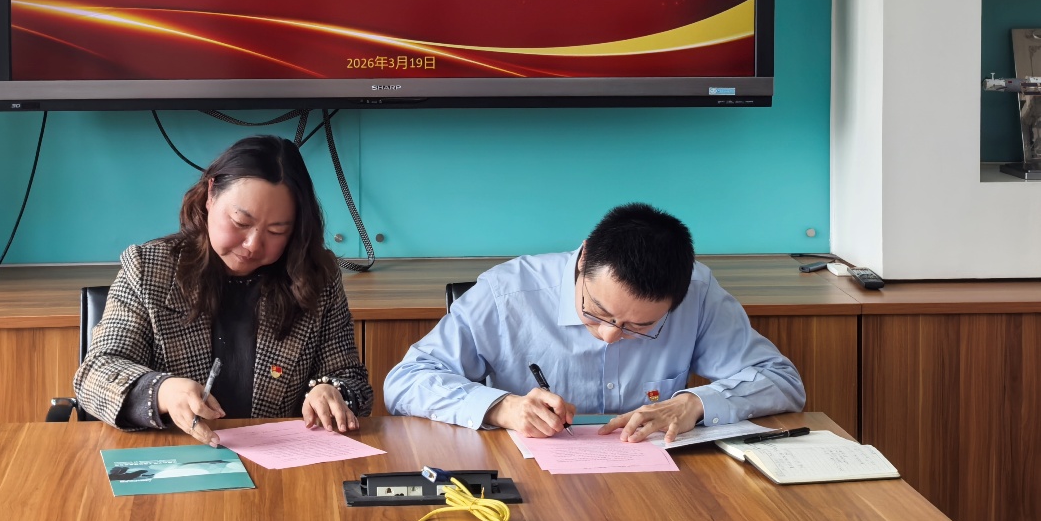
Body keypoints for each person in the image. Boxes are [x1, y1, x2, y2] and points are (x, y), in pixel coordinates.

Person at [383, 203, 804, 442]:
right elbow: (405, 381)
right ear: (583, 260)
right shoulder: (507, 293)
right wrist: (501, 407)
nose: (610, 335)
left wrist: (694, 403)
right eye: (597, 312)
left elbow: (780, 380)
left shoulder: (698, 292)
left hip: (656, 481)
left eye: (640, 327)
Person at [74, 134, 372, 445]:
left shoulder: (316, 277)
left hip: (280, 457)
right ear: (210, 195)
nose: (253, 244)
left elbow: (353, 381)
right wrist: (162, 391)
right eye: (241, 221)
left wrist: (332, 392)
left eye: (276, 231)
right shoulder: (149, 268)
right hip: (176, 454)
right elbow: (95, 374)